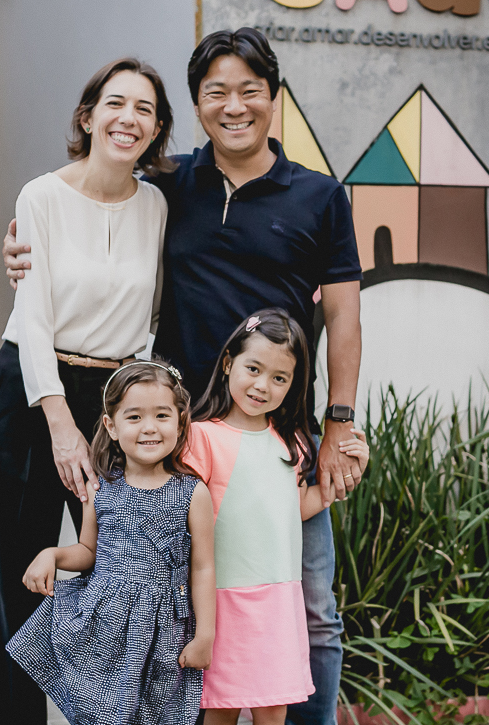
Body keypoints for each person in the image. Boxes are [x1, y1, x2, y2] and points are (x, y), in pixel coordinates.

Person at [4, 28, 364, 725]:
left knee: (310, 609)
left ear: (273, 98)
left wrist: (339, 427)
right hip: (178, 442)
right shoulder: (168, 186)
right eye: (216, 93)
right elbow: (87, 206)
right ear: (196, 107)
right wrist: (21, 243)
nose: (235, 106)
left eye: (249, 91)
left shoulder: (320, 197)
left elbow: (345, 320)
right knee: (181, 603)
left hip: (277, 438)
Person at [0, 57, 175, 725]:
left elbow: (150, 322)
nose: (130, 119)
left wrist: (130, 416)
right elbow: (31, 318)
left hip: (115, 400)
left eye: (145, 109)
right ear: (88, 116)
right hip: (34, 394)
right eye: (116, 103)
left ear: (156, 130)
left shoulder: (157, 205)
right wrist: (61, 424)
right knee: (20, 585)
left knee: (125, 577)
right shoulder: (40, 197)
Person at [6, 360, 216, 725]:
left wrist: (206, 636)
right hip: (106, 626)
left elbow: (203, 567)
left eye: (162, 416)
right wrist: (51, 554)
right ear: (111, 426)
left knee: (157, 715)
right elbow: (88, 551)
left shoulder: (192, 493)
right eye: (134, 417)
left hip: (163, 632)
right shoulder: (100, 487)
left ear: (181, 422)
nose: (149, 428)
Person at [183, 310, 367, 725]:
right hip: (223, 604)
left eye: (279, 378)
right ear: (229, 362)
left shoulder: (292, 442)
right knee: (220, 712)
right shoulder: (201, 437)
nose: (263, 386)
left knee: (274, 709)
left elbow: (294, 507)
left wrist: (348, 475)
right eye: (253, 369)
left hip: (278, 605)